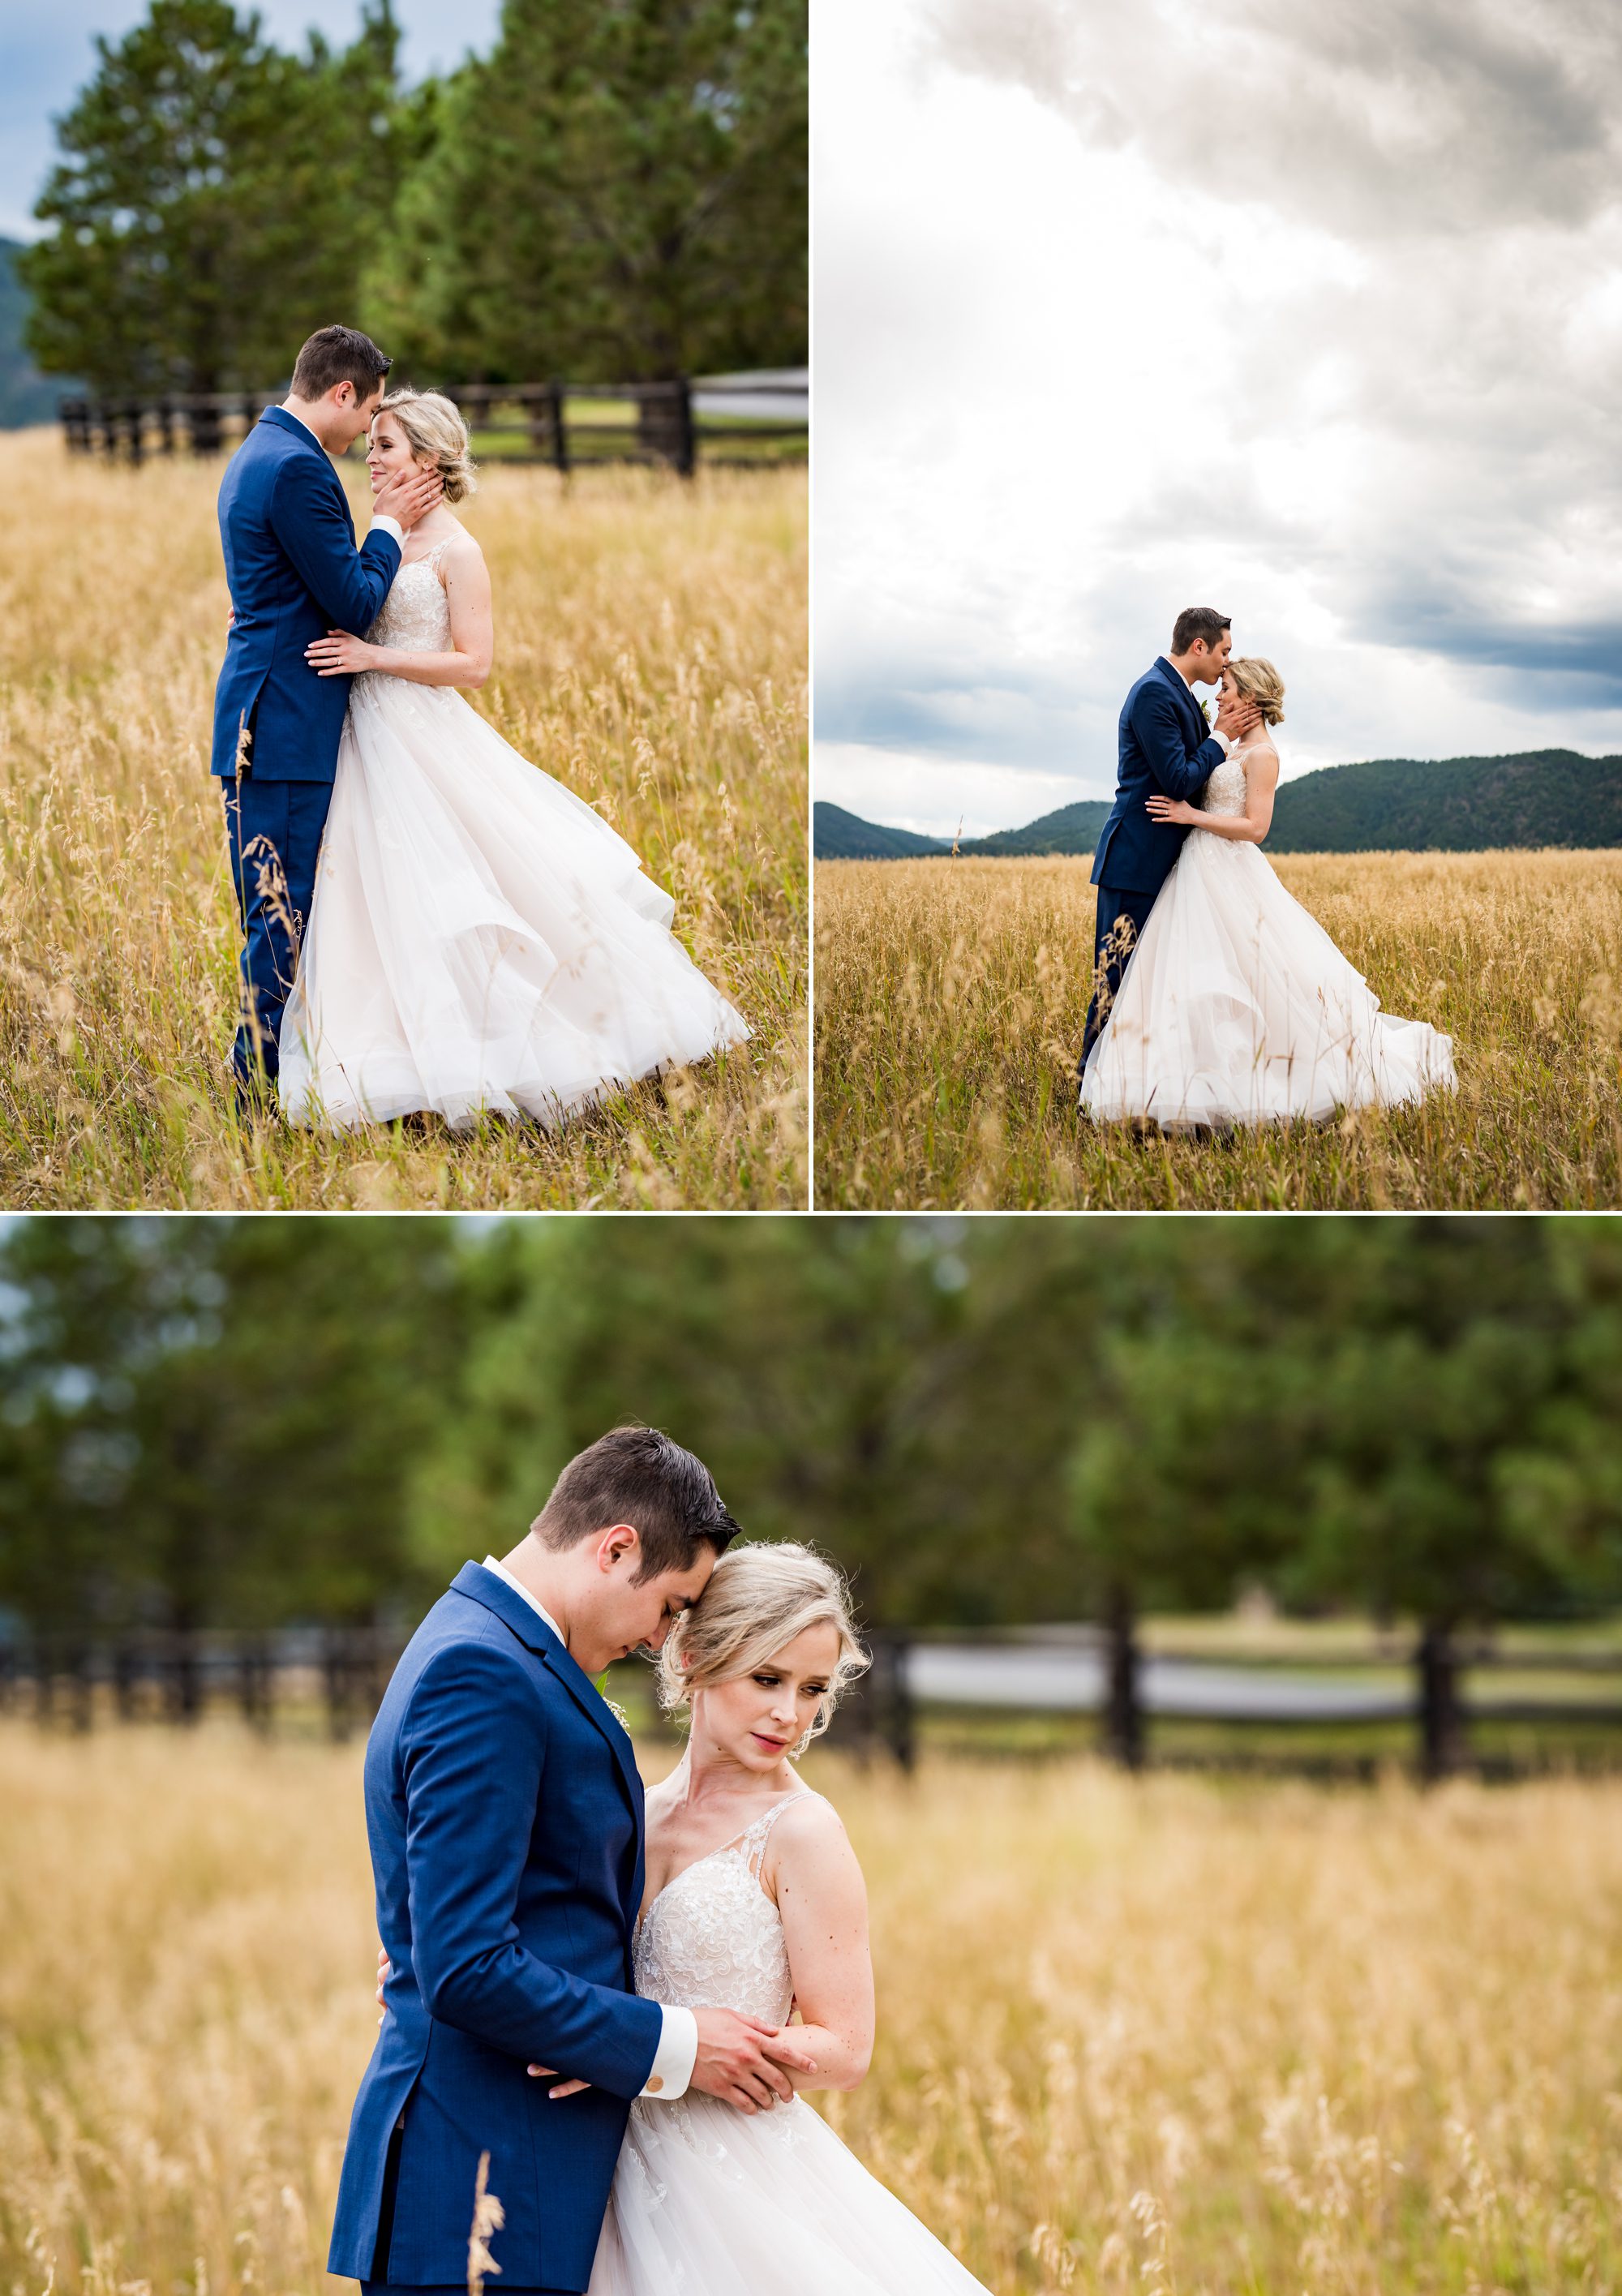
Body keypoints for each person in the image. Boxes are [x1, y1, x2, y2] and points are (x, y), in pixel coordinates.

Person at [328, 1429, 818, 2296]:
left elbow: (488, 1921)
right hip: (483, 2177)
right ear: (616, 1547)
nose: (661, 1635)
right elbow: (466, 1963)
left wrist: (428, 1959)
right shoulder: (486, 1669)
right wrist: (676, 2042)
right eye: (669, 1604)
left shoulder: (488, 1643)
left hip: (526, 2176)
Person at [277, 390, 749, 1129]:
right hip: (357, 735)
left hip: (422, 735)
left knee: (458, 897)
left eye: (387, 446)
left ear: (428, 459)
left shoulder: (459, 551)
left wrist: (373, 655)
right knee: (369, 903)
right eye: (370, 444)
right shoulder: (378, 533)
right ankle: (387, 1060)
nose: (370, 458)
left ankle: (513, 1052)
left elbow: (474, 665)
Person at [211, 325, 442, 1113]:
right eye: (368, 409)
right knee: (282, 918)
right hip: (281, 730)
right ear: (341, 392)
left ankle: (279, 1079)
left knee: (278, 912)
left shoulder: (260, 452)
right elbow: (350, 598)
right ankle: (251, 1099)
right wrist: (388, 525)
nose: (365, 433)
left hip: (265, 721)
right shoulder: (299, 470)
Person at [1079, 654, 1456, 1127]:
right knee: (1190, 976)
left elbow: (1256, 827)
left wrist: (1190, 816)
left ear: (1251, 700)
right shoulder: (1228, 749)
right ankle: (1187, 1079)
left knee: (1252, 980)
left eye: (1229, 688)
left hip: (1229, 871)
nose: (1219, 695)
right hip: (1194, 869)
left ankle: (1255, 1085)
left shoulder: (1263, 755)